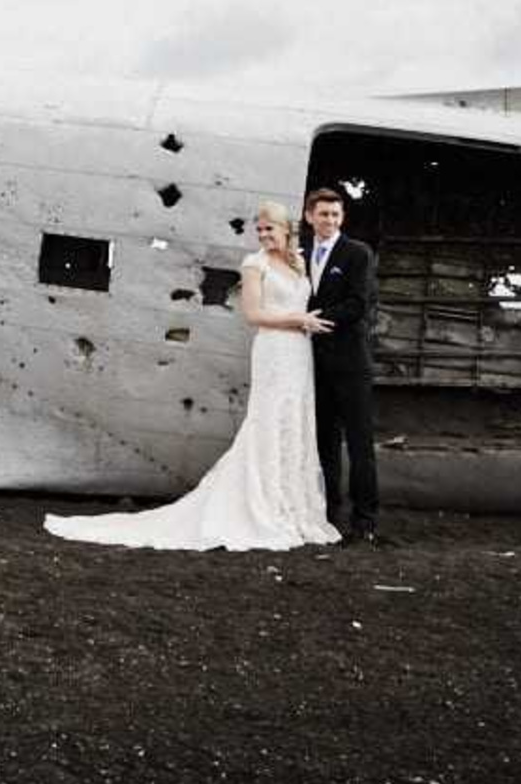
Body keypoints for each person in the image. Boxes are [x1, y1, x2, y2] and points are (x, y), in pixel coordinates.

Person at [44, 201, 341, 551]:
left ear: (285, 229)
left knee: (294, 419)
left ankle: (292, 508)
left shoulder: (297, 262)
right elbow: (254, 314)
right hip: (274, 348)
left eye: (269, 229)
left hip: (298, 353)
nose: (263, 235)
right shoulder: (254, 264)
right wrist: (298, 320)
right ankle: (262, 504)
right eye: (259, 230)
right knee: (269, 419)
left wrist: (304, 323)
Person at [304, 186, 381, 543]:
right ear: (310, 217)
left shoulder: (357, 253)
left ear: (342, 218)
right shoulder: (300, 253)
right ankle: (329, 515)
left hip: (351, 362)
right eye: (324, 214)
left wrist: (311, 320)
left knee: (360, 444)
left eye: (336, 215)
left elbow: (357, 304)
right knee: (324, 442)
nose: (330, 220)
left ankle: (364, 520)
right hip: (314, 365)